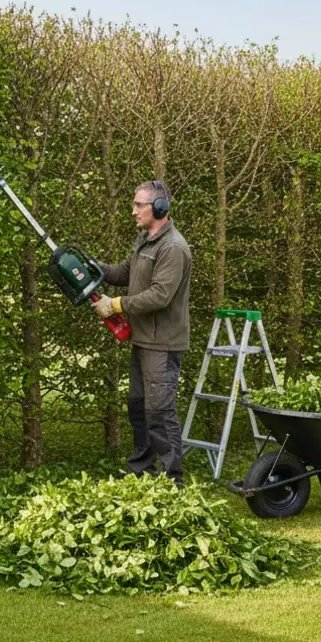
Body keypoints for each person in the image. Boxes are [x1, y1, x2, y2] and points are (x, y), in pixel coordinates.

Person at [93, 180, 192, 488]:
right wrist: (92, 267)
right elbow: (124, 273)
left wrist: (115, 305)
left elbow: (160, 296)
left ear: (159, 208)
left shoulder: (172, 247)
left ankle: (172, 481)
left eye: (139, 205)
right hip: (142, 339)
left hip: (162, 343)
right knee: (138, 406)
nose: (133, 210)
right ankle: (142, 472)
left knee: (159, 411)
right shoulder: (145, 240)